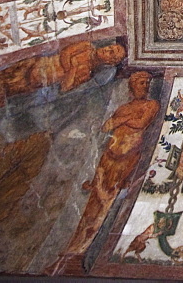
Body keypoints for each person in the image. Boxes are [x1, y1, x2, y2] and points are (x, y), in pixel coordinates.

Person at [57, 72, 160, 259]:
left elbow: (140, 123)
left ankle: (89, 249)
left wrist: (120, 121)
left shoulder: (151, 105)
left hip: (126, 157)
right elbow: (106, 127)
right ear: (131, 86)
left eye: (147, 83)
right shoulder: (124, 108)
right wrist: (121, 120)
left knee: (108, 203)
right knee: (93, 202)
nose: (144, 86)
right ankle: (75, 247)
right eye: (140, 83)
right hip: (109, 156)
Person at [0, 40, 127, 97]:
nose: (107, 49)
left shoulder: (87, 74)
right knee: (2, 76)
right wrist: (71, 68)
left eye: (111, 53)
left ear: (110, 62)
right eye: (110, 47)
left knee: (4, 90)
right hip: (35, 64)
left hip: (37, 81)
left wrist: (72, 69)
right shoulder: (87, 46)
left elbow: (65, 87)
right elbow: (66, 53)